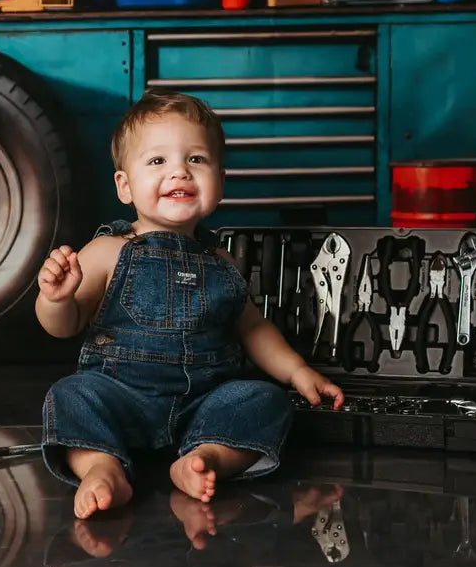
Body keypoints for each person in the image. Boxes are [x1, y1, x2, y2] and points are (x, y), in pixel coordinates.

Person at [36, 89, 346, 519]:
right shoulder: (108, 250)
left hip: (205, 402)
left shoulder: (221, 262)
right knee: (70, 395)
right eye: (158, 161)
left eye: (196, 160)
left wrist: (297, 372)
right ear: (125, 186)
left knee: (266, 399)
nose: (179, 171)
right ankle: (101, 468)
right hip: (121, 396)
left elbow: (253, 330)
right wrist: (56, 298)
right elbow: (62, 326)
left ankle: (206, 458)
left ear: (220, 179)